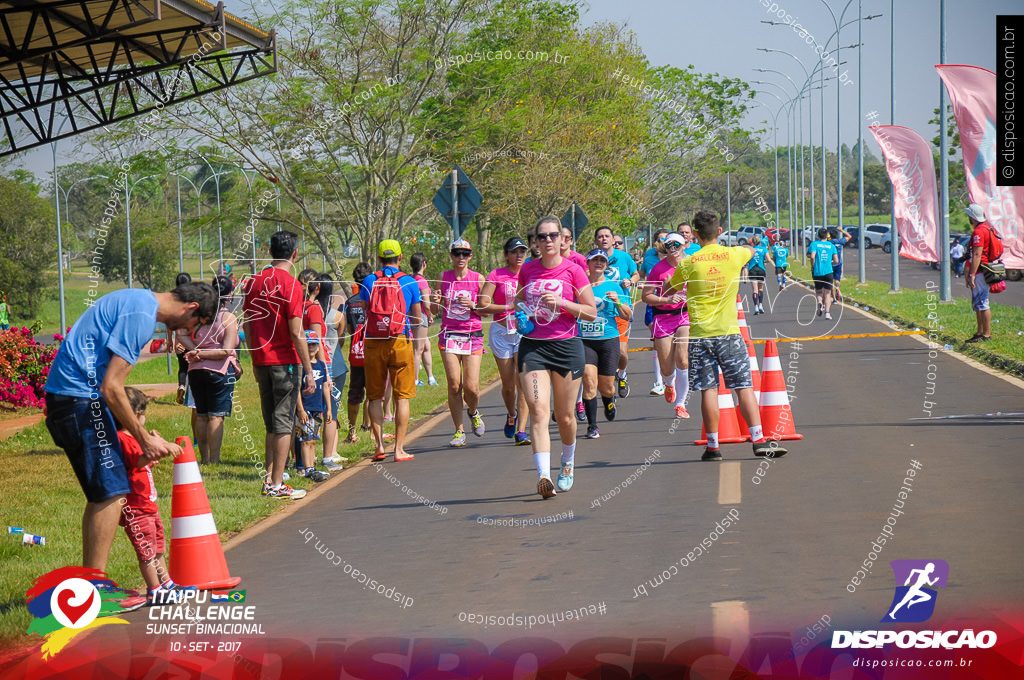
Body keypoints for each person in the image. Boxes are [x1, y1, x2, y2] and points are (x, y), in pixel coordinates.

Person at [44, 281, 216, 571]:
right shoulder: (142, 317)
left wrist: (142, 439)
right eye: (195, 324)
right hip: (80, 402)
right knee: (111, 493)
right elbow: (112, 387)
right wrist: (144, 441)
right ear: (191, 308)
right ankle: (94, 590)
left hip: (74, 399)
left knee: (104, 493)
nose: (190, 331)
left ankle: (91, 582)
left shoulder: (136, 300)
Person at [664, 210, 788, 462]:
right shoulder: (735, 254)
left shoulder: (689, 262)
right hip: (729, 334)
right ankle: (758, 440)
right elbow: (752, 251)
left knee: (708, 391)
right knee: (743, 387)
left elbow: (669, 287)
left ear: (695, 236)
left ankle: (713, 446)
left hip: (699, 336)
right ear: (719, 232)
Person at [517, 216, 597, 498]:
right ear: (536, 242)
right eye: (542, 237)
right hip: (533, 348)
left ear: (562, 240)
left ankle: (567, 461)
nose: (548, 240)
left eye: (553, 235)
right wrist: (521, 317)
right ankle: (544, 476)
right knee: (538, 410)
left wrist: (563, 302)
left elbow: (590, 311)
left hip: (565, 347)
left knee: (564, 416)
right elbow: (519, 302)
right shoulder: (528, 270)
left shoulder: (574, 271)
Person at [241, 230, 316, 500]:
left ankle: (270, 478)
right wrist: (308, 370)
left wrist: (252, 358)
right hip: (285, 362)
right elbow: (297, 333)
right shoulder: (292, 285)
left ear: (270, 252)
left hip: (261, 359)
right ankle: (276, 484)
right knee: (284, 422)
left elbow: (248, 324)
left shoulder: (253, 282)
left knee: (272, 423)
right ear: (294, 254)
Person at [115, 386, 193, 605]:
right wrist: (161, 447)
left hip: (147, 505)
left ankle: (167, 583)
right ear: (134, 417)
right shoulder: (123, 439)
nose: (144, 418)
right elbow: (138, 460)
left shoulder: (133, 438)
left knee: (157, 547)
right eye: (142, 415)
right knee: (146, 552)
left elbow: (143, 458)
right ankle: (154, 590)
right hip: (136, 508)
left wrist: (152, 444)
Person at [360, 239, 424, 462]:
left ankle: (379, 446)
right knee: (402, 397)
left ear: (378, 258)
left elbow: (364, 310)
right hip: (400, 340)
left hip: (374, 341)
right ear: (400, 257)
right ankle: (398, 449)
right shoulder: (409, 282)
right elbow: (416, 317)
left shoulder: (368, 281)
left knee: (375, 396)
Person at [429, 238, 486, 447]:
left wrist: (473, 304)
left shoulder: (478, 279)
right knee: (454, 385)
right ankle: (459, 431)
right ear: (451, 256)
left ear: (470, 256)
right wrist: (433, 301)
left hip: (472, 335)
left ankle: (473, 411)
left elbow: (486, 309)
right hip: (449, 335)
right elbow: (435, 312)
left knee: (471, 388)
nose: (461, 258)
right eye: (457, 254)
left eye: (465, 254)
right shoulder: (443, 277)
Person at [180, 275, 239, 464]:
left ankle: (204, 459)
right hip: (219, 372)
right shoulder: (228, 318)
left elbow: (180, 333)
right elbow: (226, 350)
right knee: (216, 416)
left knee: (202, 415)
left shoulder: (198, 316)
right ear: (230, 295)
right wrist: (204, 353)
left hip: (195, 371)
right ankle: (214, 460)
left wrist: (195, 350)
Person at [479, 236, 531, 445]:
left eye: (522, 252)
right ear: (506, 255)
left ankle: (521, 431)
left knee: (523, 382)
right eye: (514, 252)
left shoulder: (530, 273)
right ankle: (511, 414)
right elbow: (483, 304)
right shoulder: (496, 275)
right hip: (501, 332)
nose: (518, 256)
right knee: (508, 385)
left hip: (523, 332)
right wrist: (509, 308)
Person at [579, 249, 629, 438]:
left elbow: (627, 315)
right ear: (588, 263)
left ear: (606, 265)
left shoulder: (614, 286)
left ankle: (609, 399)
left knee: (606, 386)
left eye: (602, 260)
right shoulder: (580, 286)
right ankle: (592, 426)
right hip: (585, 341)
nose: (598, 263)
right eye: (595, 260)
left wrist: (617, 302)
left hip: (608, 340)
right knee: (589, 381)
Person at [642, 232, 691, 419]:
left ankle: (681, 404)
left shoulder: (690, 265)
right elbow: (646, 296)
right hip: (662, 318)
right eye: (670, 244)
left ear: (684, 245)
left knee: (683, 358)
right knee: (667, 367)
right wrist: (667, 298)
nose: (673, 248)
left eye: (677, 244)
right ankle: (669, 383)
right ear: (665, 246)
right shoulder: (658, 269)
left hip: (684, 315)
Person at [593, 227, 639, 398]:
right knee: (601, 354)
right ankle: (606, 385)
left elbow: (636, 274)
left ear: (613, 239)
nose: (604, 239)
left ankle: (622, 374)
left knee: (621, 352)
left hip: (620, 308)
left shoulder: (623, 257)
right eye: (600, 237)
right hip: (598, 312)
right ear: (596, 240)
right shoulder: (591, 259)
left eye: (607, 236)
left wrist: (630, 281)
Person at [294, 331, 331, 481]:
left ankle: (311, 466)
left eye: (314, 345)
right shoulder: (301, 367)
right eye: (308, 345)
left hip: (317, 407)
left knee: (314, 439)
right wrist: (300, 410)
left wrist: (328, 408)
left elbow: (326, 388)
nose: (311, 348)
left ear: (318, 347)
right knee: (305, 439)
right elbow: (297, 389)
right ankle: (306, 467)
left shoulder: (321, 365)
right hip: (305, 408)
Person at [319, 275, 346, 471]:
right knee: (332, 412)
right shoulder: (336, 315)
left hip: (315, 366)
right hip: (334, 365)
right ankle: (331, 453)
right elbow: (342, 338)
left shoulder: (308, 312)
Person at [343, 263, 373, 442]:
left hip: (356, 352)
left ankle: (351, 432)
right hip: (373, 349)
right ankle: (370, 428)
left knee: (354, 392)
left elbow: (348, 329)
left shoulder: (350, 302)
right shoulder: (374, 298)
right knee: (374, 392)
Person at [965, 203, 1001, 343]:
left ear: (973, 217)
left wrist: (972, 274)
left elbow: (977, 254)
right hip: (984, 269)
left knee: (983, 303)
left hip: (981, 271)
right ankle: (980, 332)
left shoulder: (979, 232)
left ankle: (986, 334)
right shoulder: (988, 228)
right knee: (978, 304)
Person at [642, 229, 670, 397]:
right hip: (655, 303)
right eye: (660, 239)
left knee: (673, 345)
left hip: (675, 306)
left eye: (666, 239)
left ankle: (671, 377)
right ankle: (659, 382)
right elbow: (642, 274)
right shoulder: (649, 257)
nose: (663, 242)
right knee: (656, 340)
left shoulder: (678, 258)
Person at [409, 253, 437, 386]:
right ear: (424, 264)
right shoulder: (422, 281)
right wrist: (430, 316)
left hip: (410, 316)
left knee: (426, 346)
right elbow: (426, 303)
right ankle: (414, 379)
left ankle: (431, 377)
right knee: (418, 349)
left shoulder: (409, 278)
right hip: (420, 317)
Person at [808, 228, 839, 320]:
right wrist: (830, 262)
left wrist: (812, 266)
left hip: (817, 272)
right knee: (828, 294)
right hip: (829, 272)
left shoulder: (814, 244)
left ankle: (820, 303)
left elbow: (812, 257)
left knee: (818, 292)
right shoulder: (831, 245)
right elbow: (836, 261)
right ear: (827, 236)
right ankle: (827, 313)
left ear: (818, 235)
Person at [172, 272, 192, 404]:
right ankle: (191, 395)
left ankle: (181, 386)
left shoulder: (174, 301)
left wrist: (173, 341)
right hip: (192, 339)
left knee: (183, 367)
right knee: (194, 367)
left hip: (180, 340)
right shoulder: (195, 300)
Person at [746, 235, 769, 315]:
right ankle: (761, 305)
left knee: (755, 290)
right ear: (760, 241)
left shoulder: (750, 249)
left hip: (752, 269)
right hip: (761, 269)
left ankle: (755, 307)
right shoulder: (763, 249)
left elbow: (746, 260)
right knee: (761, 289)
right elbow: (768, 259)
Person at [829, 227, 851, 303]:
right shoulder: (840, 241)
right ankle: (838, 289)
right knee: (837, 280)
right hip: (839, 263)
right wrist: (841, 230)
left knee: (830, 282)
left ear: (830, 236)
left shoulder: (829, 243)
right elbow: (849, 236)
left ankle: (834, 299)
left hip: (830, 264)